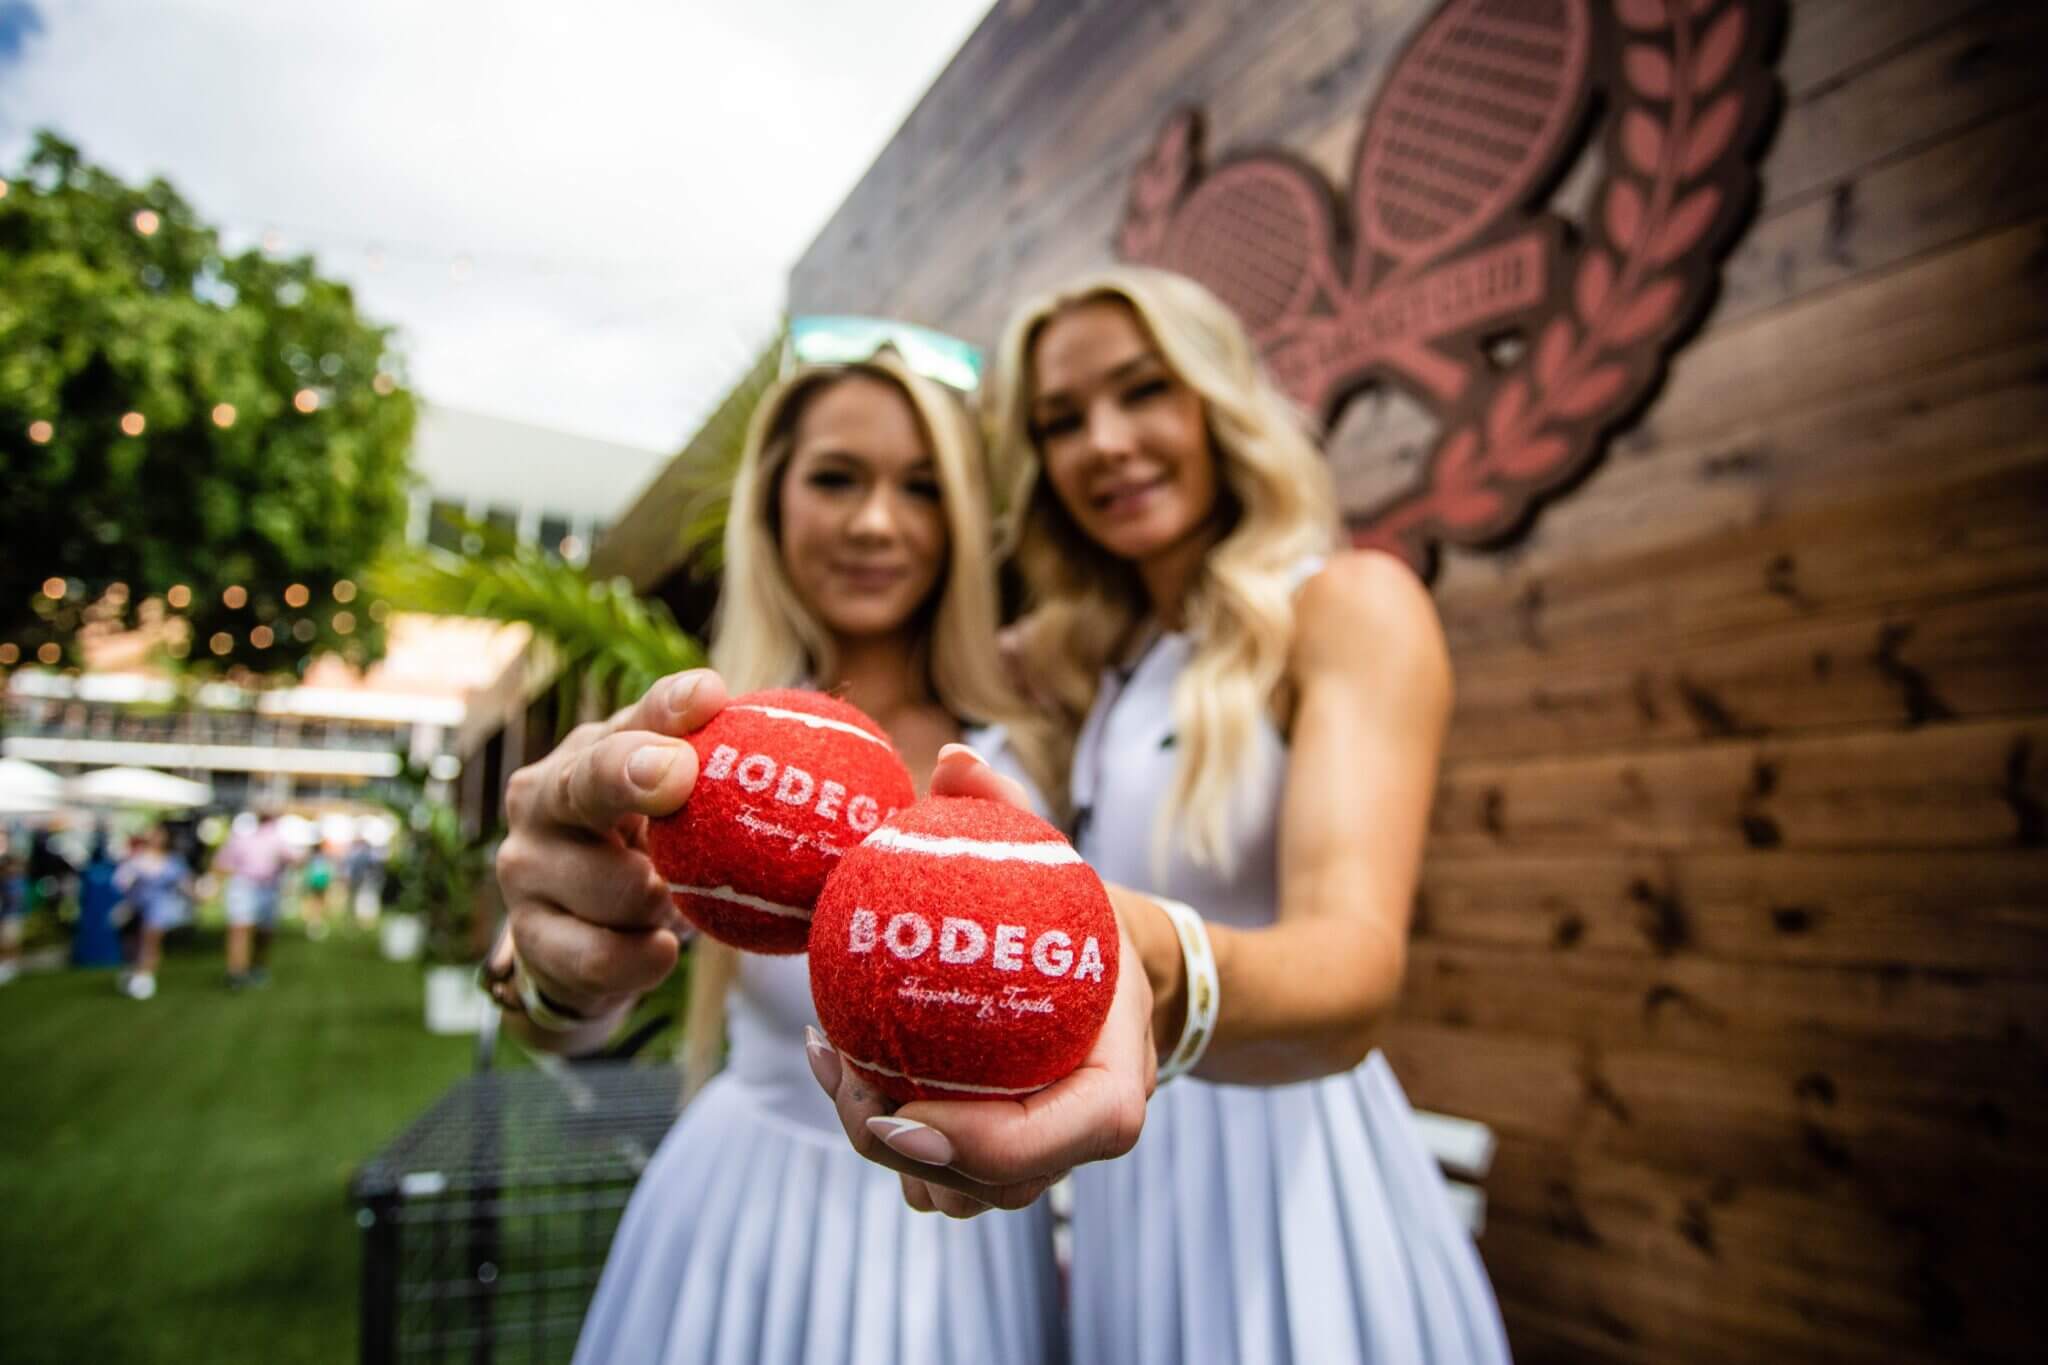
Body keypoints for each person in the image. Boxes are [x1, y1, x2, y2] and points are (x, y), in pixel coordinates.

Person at [810, 267, 1511, 1363]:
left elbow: (1356, 969)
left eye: (1142, 392)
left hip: (1290, 1179)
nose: (1103, 442)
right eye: (1059, 421)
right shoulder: (1082, 663)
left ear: (1214, 402)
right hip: (1120, 1182)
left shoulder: (1346, 604)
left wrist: (1135, 951)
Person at [490, 347, 1066, 1365]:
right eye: (836, 478)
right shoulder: (703, 744)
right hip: (738, 1208)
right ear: (771, 504)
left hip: (965, 1235)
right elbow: (567, 1030)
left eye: (922, 488)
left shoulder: (1031, 739)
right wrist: (556, 978)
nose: (876, 522)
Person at [112, 823, 195, 1001]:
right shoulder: (136, 859)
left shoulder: (173, 861)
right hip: (135, 907)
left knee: (151, 940)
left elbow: (186, 884)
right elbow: (121, 882)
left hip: (160, 908)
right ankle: (133, 971)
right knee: (132, 942)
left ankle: (145, 977)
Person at [216, 806, 291, 988]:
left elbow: (293, 858)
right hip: (244, 885)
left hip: (268, 887)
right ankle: (236, 972)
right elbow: (221, 862)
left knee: (264, 931)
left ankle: (256, 967)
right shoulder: (240, 836)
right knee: (239, 929)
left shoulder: (276, 837)